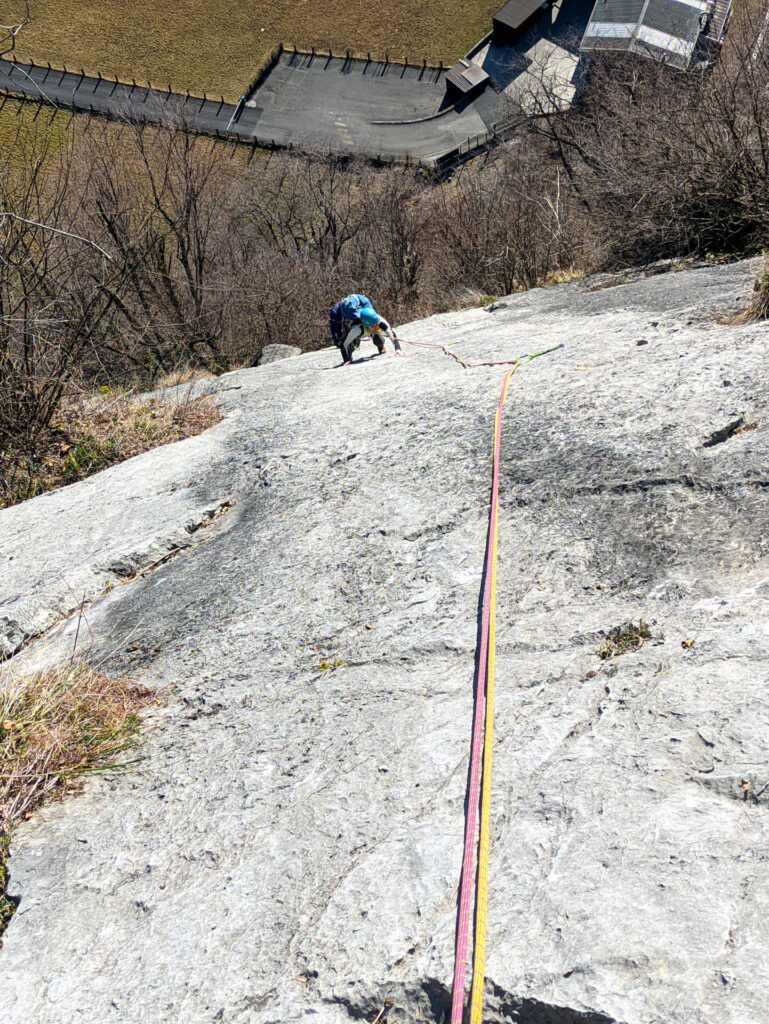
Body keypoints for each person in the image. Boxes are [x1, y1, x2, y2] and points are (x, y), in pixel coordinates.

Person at [328, 294, 403, 365]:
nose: (376, 327)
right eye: (373, 326)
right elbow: (344, 344)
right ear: (365, 324)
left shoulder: (378, 320)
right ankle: (350, 352)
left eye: (376, 324)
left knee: (379, 340)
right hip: (347, 318)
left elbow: (391, 333)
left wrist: (397, 349)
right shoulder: (357, 329)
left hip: (361, 315)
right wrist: (346, 359)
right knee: (342, 341)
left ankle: (380, 345)